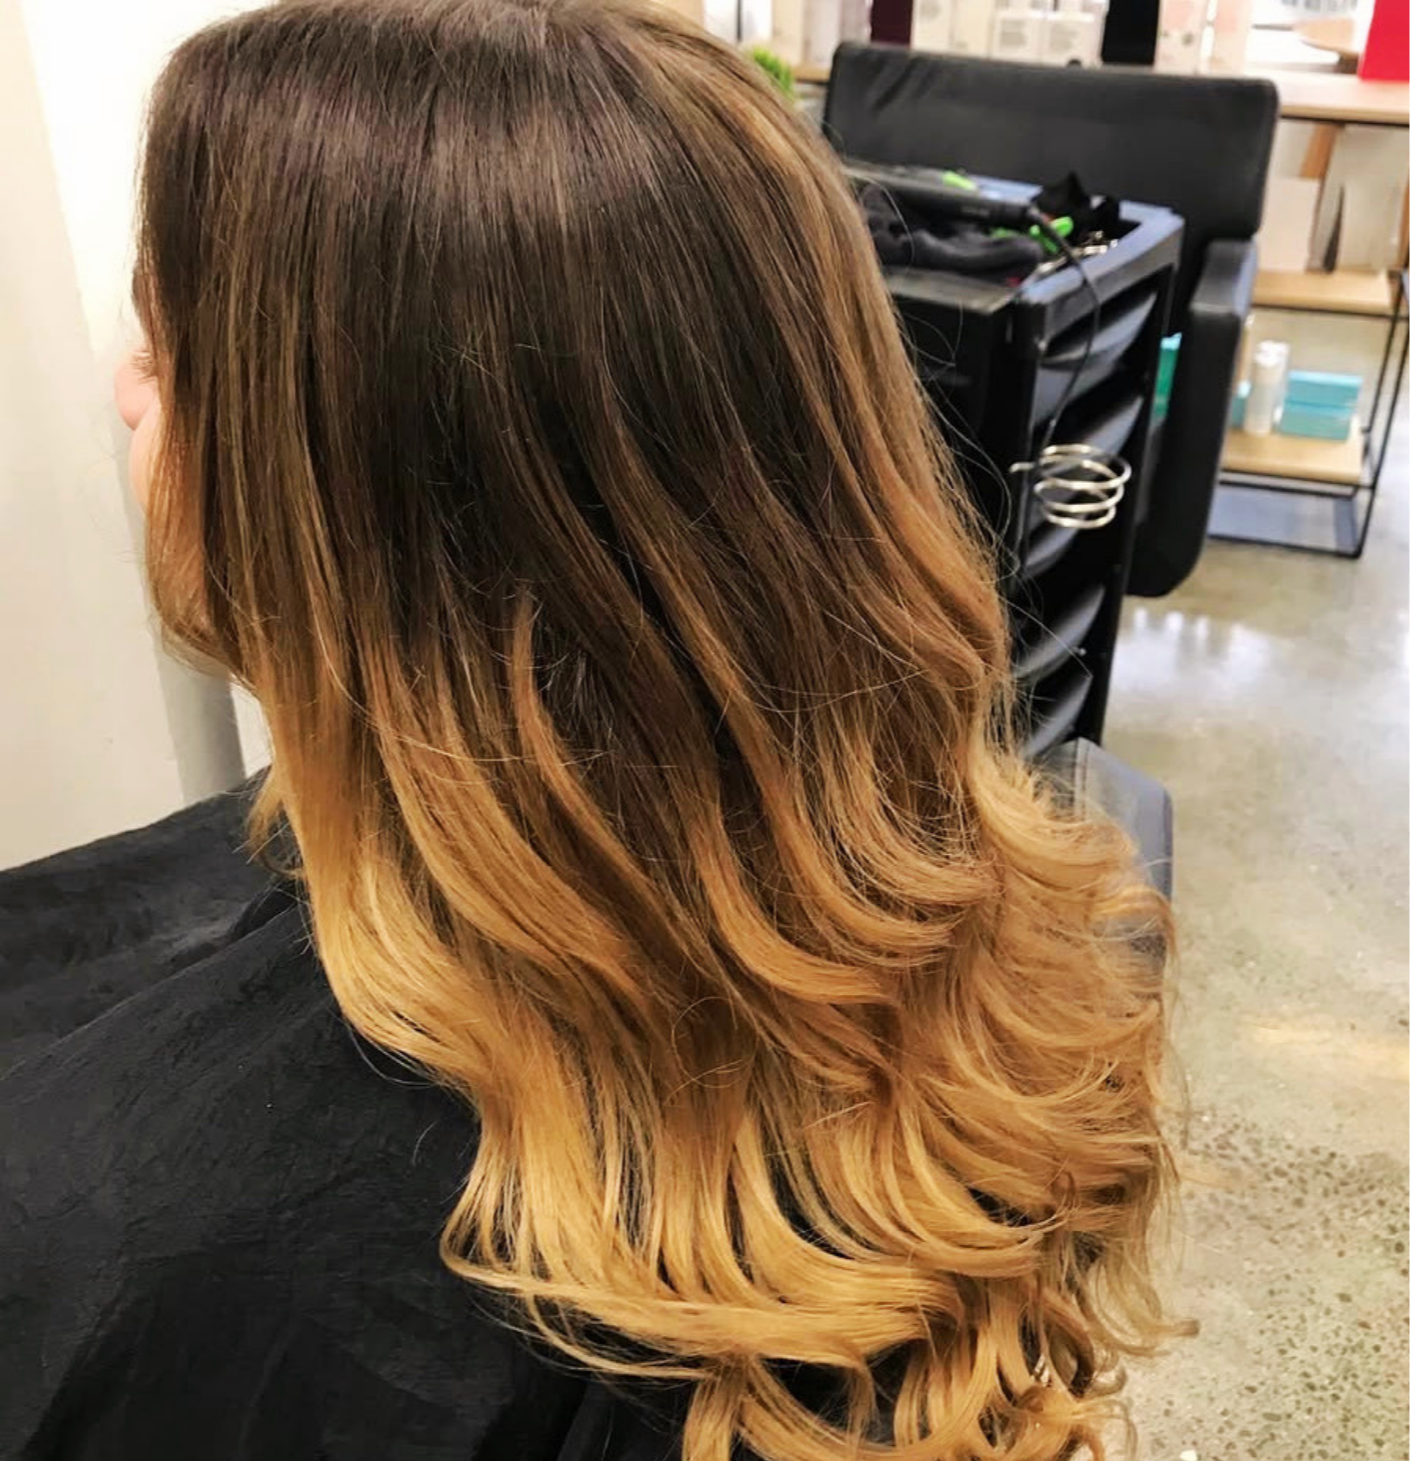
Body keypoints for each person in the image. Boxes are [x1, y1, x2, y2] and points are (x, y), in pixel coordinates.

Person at [0, 1, 1175, 1457]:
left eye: (167, 357)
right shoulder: (1017, 923)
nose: (124, 389)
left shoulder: (138, 1229)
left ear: (345, 501)